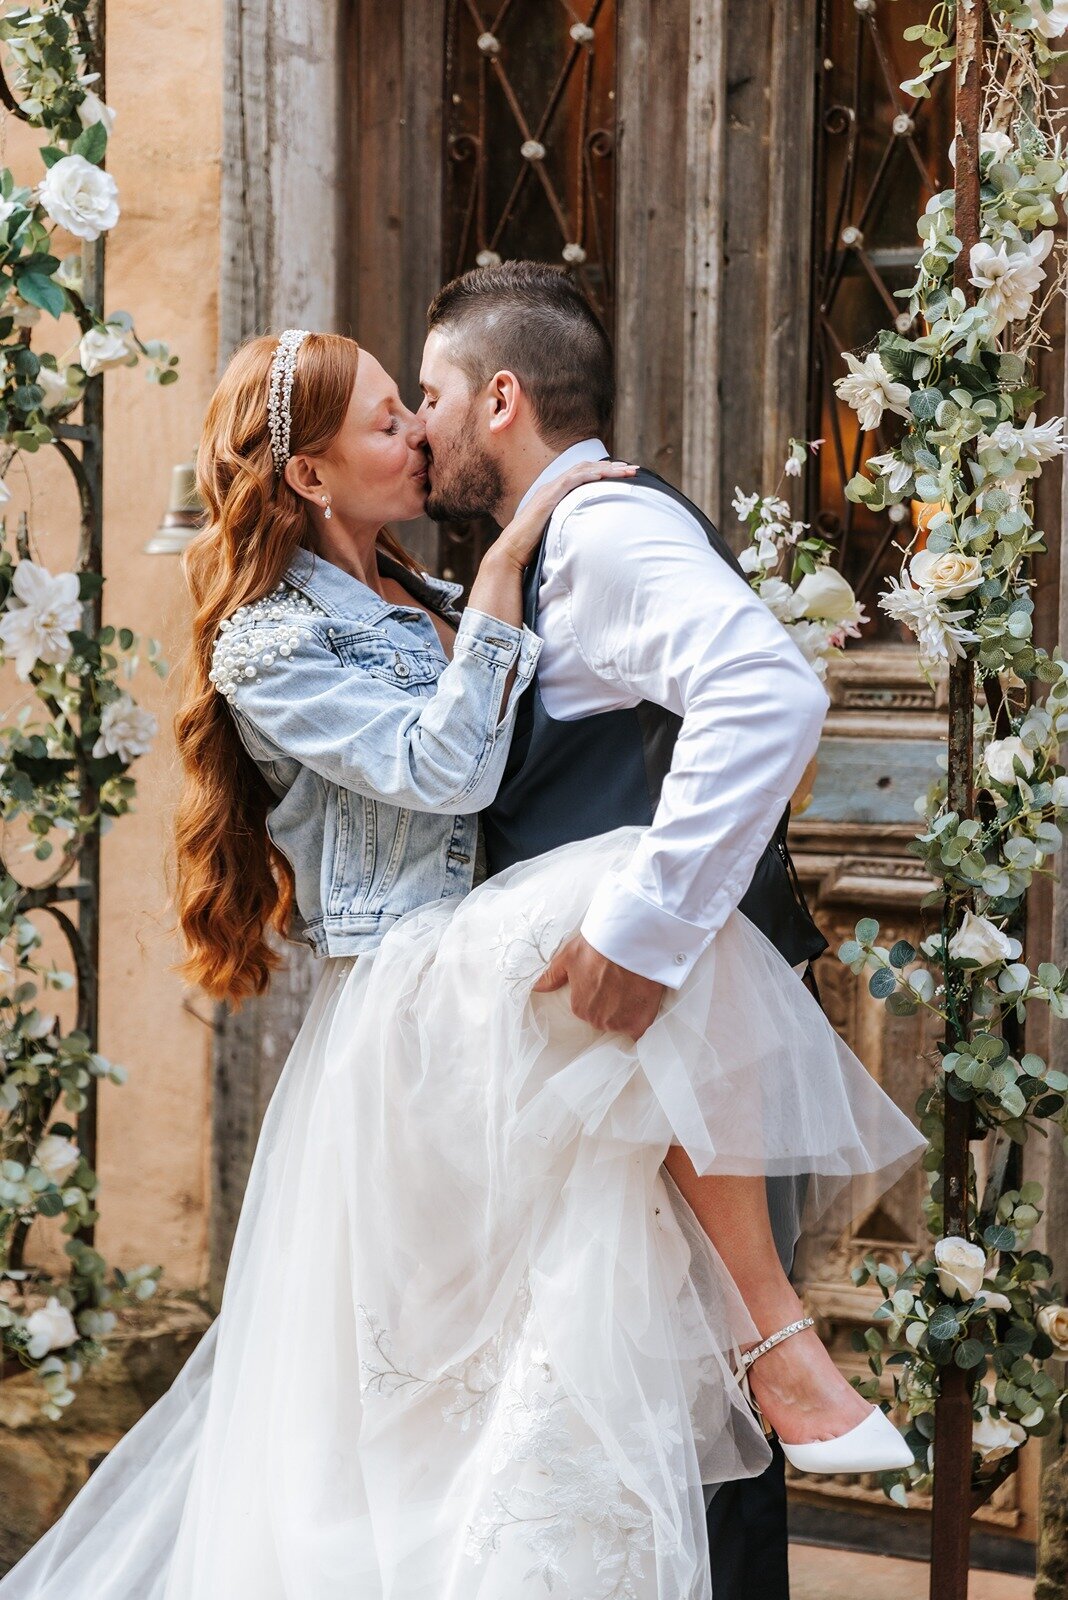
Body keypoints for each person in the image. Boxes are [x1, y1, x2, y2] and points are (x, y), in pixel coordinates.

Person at [0, 325, 922, 1600]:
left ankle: (761, 1359)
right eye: (390, 419)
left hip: (482, 1000)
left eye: (415, 404)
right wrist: (500, 570)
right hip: (410, 993)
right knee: (636, 900)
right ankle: (782, 1345)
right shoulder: (271, 642)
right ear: (311, 476)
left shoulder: (416, 597)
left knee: (524, 1389)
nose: (416, 436)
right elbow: (445, 770)